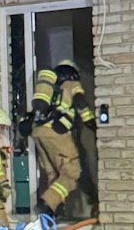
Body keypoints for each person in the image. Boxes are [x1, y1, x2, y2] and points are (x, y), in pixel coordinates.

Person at [29, 62, 94, 219]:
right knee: (72, 173)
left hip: (38, 131)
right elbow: (80, 103)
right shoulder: (72, 84)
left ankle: (56, 209)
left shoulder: (50, 90)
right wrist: (92, 123)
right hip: (56, 132)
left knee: (54, 173)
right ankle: (46, 204)